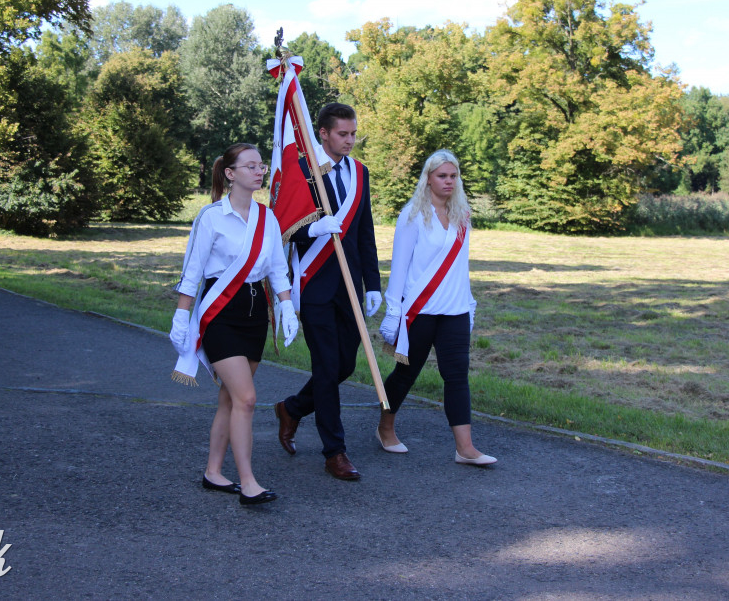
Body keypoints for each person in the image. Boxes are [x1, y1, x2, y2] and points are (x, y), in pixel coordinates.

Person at [169, 143, 299, 506]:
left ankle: (213, 471)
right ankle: (248, 481)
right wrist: (182, 314)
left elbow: (277, 268)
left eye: (262, 166)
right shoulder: (211, 217)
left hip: (255, 312)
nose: (260, 172)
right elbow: (192, 270)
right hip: (220, 312)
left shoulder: (266, 217)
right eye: (251, 166)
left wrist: (287, 308)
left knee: (229, 398)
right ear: (230, 174)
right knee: (247, 398)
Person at [273, 103, 382, 480]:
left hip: (350, 284)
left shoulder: (360, 173)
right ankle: (334, 451)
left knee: (346, 365)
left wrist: (374, 284)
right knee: (326, 365)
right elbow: (283, 224)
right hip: (314, 283)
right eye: (342, 134)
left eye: (353, 134)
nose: (350, 141)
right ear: (322, 133)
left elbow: (365, 231)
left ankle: (292, 408)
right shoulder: (302, 170)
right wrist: (312, 230)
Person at [377, 150, 496, 466]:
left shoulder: (463, 216)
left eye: (453, 176)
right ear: (428, 178)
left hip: (454, 309)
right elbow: (399, 267)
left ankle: (465, 448)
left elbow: (462, 266)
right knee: (405, 372)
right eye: (442, 176)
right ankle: (385, 427)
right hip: (419, 310)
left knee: (457, 375)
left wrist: (469, 306)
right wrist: (393, 311)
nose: (448, 181)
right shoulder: (412, 215)